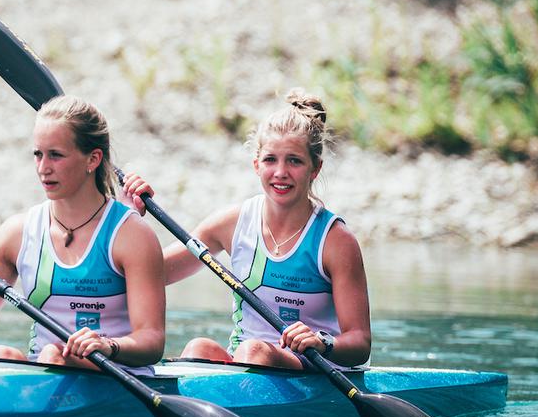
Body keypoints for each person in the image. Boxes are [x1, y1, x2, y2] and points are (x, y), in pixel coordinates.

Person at [0, 95, 166, 374]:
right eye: (38, 154)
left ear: (93, 159)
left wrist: (108, 346)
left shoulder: (130, 235)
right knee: (1, 355)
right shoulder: (18, 234)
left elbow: (151, 342)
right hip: (46, 371)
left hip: (115, 376)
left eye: (55, 155)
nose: (43, 168)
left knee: (51, 354)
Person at [121, 89, 371, 370]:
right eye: (270, 160)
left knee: (254, 352)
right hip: (247, 361)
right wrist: (128, 218)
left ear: (315, 168)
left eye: (295, 161)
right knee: (199, 347)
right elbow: (154, 274)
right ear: (256, 164)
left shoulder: (335, 241)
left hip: (316, 369)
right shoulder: (232, 224)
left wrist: (322, 342)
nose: (280, 172)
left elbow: (359, 343)